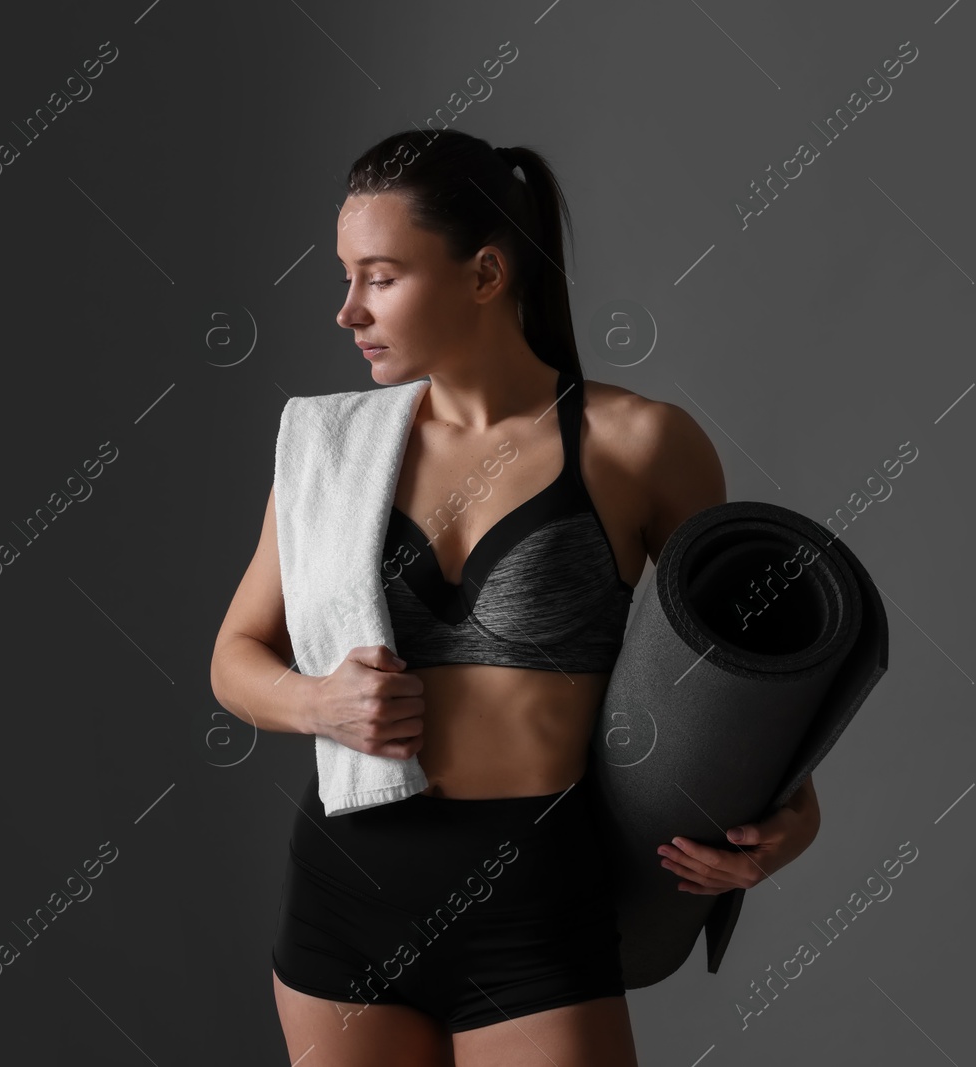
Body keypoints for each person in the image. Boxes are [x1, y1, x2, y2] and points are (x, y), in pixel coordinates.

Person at [210, 128, 822, 1067]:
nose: (347, 312)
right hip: (345, 894)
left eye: (379, 276)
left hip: (531, 900)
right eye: (346, 277)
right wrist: (316, 700)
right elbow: (235, 658)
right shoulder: (326, 452)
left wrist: (790, 814)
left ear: (486, 274)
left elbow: (735, 669)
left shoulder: (639, 446)